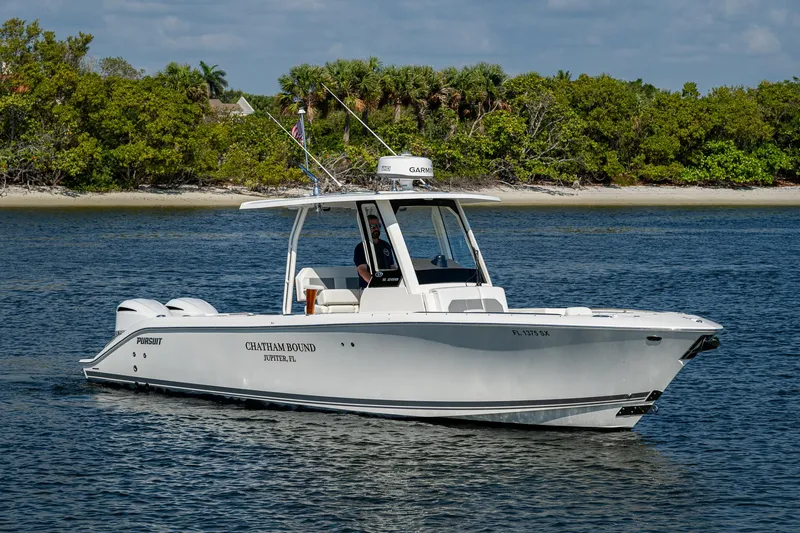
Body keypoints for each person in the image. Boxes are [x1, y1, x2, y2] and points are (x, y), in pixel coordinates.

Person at [354, 215, 395, 287]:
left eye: (378, 225)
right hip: (369, 288)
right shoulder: (361, 248)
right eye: (372, 226)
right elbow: (362, 271)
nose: (376, 228)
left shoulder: (386, 245)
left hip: (387, 286)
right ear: (366, 228)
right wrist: (376, 284)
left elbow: (392, 267)